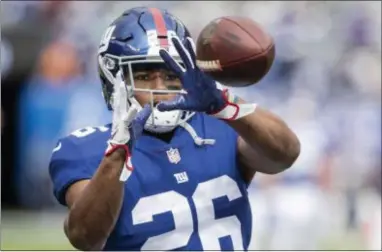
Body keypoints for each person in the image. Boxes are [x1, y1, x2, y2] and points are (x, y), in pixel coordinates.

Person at [48, 7, 300, 251]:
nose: (161, 90)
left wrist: (226, 104)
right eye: (145, 76)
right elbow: (85, 237)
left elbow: (285, 155)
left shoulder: (222, 126)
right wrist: (117, 154)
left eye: (171, 76)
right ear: (115, 79)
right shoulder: (83, 148)